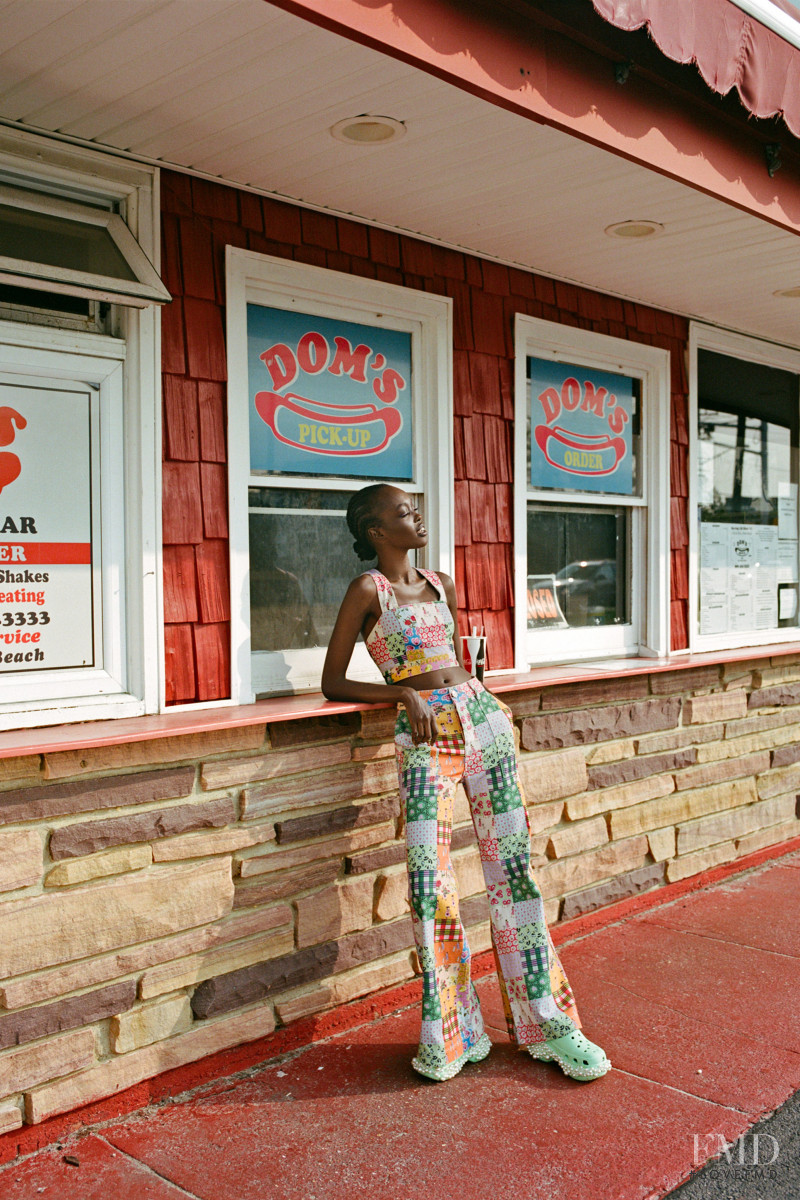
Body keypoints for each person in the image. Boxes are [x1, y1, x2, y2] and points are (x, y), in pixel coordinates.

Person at [321, 483, 610, 1083]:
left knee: (514, 873)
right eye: (403, 513)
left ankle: (552, 1026)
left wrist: (487, 700)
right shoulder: (367, 591)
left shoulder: (441, 583)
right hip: (427, 737)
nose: (417, 517)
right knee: (431, 883)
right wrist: (403, 692)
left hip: (483, 722)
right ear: (375, 531)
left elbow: (458, 660)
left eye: (415, 508)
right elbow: (333, 681)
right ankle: (455, 1031)